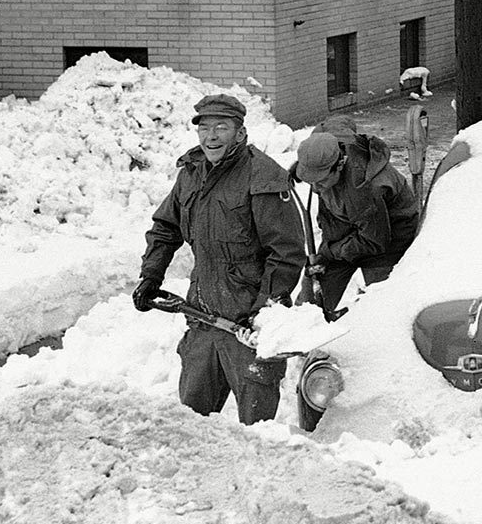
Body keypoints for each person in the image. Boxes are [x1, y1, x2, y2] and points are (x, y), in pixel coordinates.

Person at [137, 93, 308, 422]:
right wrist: (151, 276)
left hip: (247, 327)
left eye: (221, 127)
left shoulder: (263, 177)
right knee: (193, 422)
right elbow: (165, 227)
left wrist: (264, 312)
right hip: (202, 319)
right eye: (204, 128)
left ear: (240, 133)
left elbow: (286, 253)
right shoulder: (191, 174)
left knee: (257, 431)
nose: (210, 136)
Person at [290, 117, 420, 319]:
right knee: (314, 283)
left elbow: (374, 241)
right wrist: (304, 170)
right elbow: (341, 121)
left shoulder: (366, 187)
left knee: (383, 305)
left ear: (339, 164)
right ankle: (302, 325)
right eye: (311, 182)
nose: (316, 190)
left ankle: (373, 334)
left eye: (321, 182)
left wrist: (334, 251)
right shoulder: (330, 144)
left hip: (388, 238)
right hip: (346, 223)